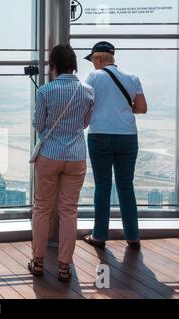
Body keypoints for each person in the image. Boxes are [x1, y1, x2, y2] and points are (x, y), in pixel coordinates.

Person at [29, 45, 94, 282]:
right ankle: (64, 266)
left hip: (49, 155)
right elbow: (86, 123)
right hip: (76, 156)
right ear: (74, 64)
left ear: (53, 66)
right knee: (69, 210)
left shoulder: (45, 91)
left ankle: (37, 261)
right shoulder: (87, 91)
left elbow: (38, 124)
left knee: (42, 208)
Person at [82, 42, 148, 250]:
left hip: (100, 134)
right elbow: (142, 108)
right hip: (127, 136)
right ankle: (133, 236)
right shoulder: (132, 77)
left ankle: (99, 236)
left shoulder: (94, 77)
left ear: (98, 59)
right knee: (126, 186)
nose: (93, 64)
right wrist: (124, 109)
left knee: (103, 185)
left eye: (93, 60)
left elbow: (84, 104)